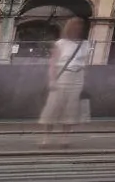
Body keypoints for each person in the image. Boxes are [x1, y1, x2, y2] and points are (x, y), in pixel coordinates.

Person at [39, 18, 91, 148]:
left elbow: (85, 63)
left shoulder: (85, 44)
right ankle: (46, 138)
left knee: (71, 109)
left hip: (78, 77)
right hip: (62, 76)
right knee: (53, 107)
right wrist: (52, 80)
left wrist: (85, 79)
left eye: (80, 27)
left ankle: (64, 138)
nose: (78, 29)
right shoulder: (61, 43)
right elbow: (53, 63)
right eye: (75, 27)